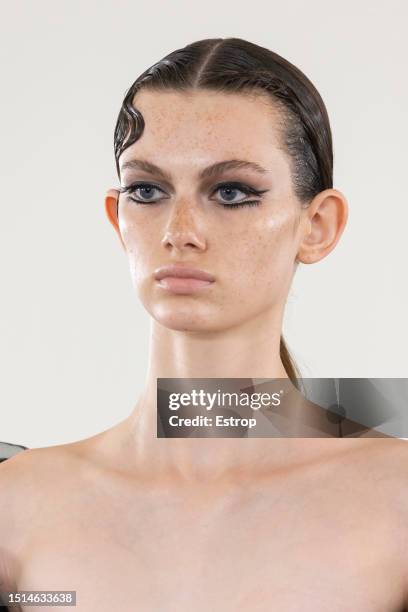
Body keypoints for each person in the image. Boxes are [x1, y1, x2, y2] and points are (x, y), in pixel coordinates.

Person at [1, 37, 407, 611]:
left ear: (317, 225)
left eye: (232, 191)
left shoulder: (396, 502)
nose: (180, 230)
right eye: (147, 190)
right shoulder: (16, 503)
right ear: (119, 218)